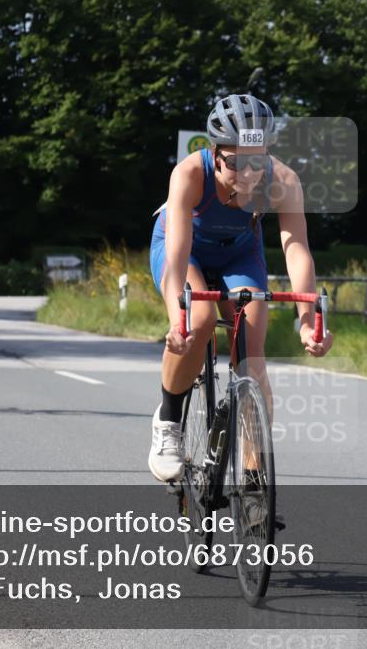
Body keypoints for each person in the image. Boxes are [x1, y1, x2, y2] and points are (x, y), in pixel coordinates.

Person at [147, 93, 333, 482]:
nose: (247, 175)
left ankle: (252, 476)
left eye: (256, 161)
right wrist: (175, 319)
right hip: (187, 251)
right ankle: (168, 422)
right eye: (235, 164)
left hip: (238, 255)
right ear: (214, 153)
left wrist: (305, 321)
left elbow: (296, 250)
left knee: (252, 357)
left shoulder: (283, 181)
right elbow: (178, 257)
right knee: (198, 319)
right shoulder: (188, 175)